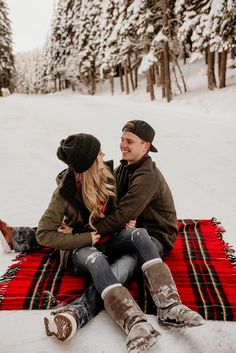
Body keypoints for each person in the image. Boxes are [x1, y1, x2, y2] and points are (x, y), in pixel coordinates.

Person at [0, 121, 204, 344]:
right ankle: (19, 238)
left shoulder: (141, 176)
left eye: (129, 141)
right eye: (122, 139)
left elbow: (119, 215)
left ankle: (163, 306)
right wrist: (83, 233)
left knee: (124, 256)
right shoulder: (118, 169)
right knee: (96, 254)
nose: (120, 146)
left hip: (153, 235)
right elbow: (91, 217)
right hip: (100, 240)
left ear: (146, 146)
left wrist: (86, 229)